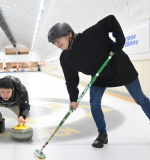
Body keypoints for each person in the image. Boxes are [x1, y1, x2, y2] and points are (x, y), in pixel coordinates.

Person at [48, 15, 150, 148]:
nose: (56, 44)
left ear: (69, 34)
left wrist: (119, 42)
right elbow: (71, 79)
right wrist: (73, 98)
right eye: (53, 42)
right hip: (99, 77)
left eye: (58, 39)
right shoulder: (65, 58)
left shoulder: (91, 35)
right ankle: (102, 134)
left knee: (140, 99)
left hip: (122, 69)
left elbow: (111, 20)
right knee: (94, 104)